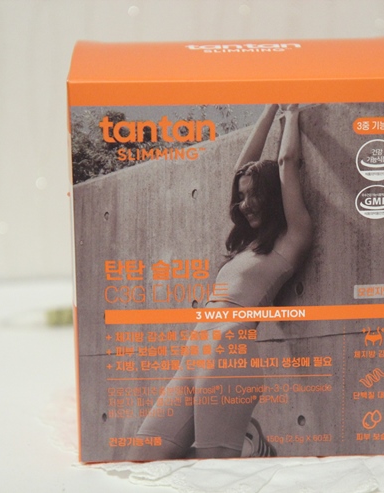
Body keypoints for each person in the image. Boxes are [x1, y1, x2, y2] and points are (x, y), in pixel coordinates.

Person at [132, 103, 312, 460]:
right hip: (194, 356)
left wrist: (290, 113)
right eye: (241, 197)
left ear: (272, 196)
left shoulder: (292, 239)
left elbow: (287, 162)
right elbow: (238, 170)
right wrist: (268, 108)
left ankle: (250, 448)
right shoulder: (246, 243)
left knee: (213, 473)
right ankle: (248, 442)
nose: (245, 204)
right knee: (142, 457)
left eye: (255, 195)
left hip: (229, 354)